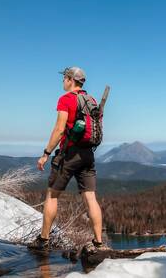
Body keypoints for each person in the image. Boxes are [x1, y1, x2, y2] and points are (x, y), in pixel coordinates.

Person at [28, 66, 104, 251]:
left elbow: (60, 129)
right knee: (90, 198)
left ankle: (43, 240)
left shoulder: (66, 99)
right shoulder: (92, 100)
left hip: (68, 154)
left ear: (71, 79)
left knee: (52, 195)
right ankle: (98, 243)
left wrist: (46, 153)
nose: (62, 82)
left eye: (64, 78)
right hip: (88, 154)